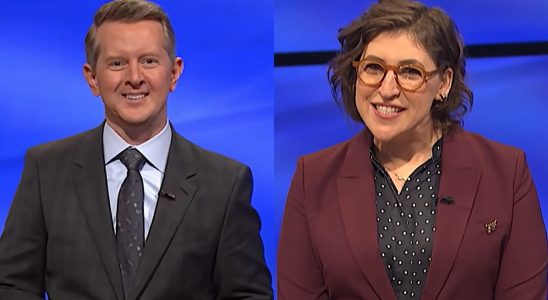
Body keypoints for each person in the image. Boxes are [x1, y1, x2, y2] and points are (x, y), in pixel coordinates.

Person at [0, 0, 272, 299]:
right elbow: (13, 285)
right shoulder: (46, 170)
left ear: (174, 72)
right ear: (92, 78)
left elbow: (247, 294)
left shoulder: (225, 183)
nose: (134, 77)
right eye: (117, 63)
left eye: (149, 61)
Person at [277, 0, 547, 299]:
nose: (388, 89)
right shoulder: (313, 178)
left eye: (409, 72)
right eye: (374, 68)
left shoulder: (506, 172)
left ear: (444, 82)